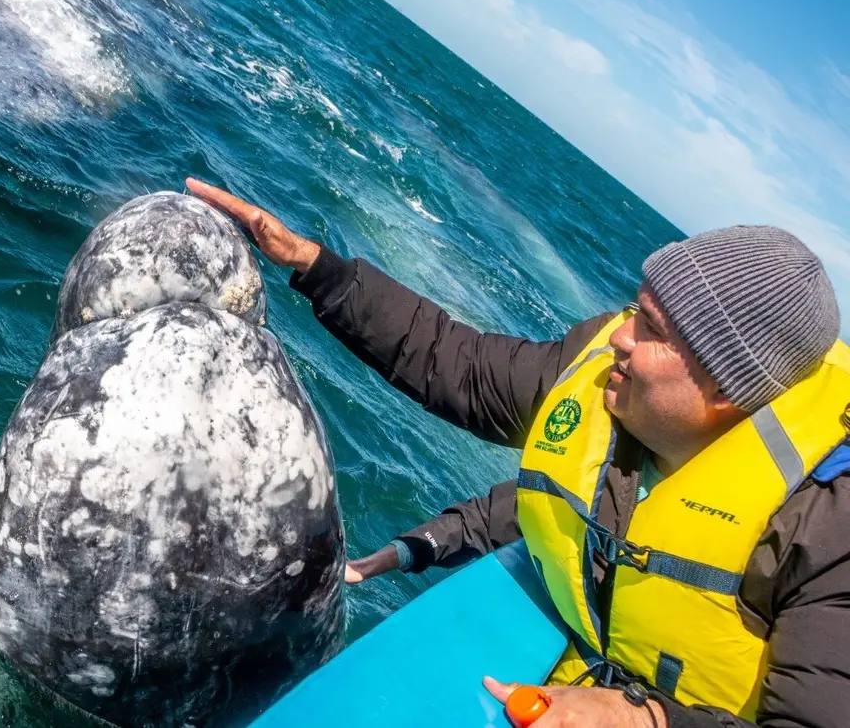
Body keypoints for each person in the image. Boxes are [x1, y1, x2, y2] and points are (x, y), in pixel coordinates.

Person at [185, 177, 850, 728]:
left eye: (654, 329)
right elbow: (461, 365)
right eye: (635, 308)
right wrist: (316, 267)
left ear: (726, 389)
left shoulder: (828, 522)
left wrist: (644, 719)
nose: (620, 337)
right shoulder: (603, 370)